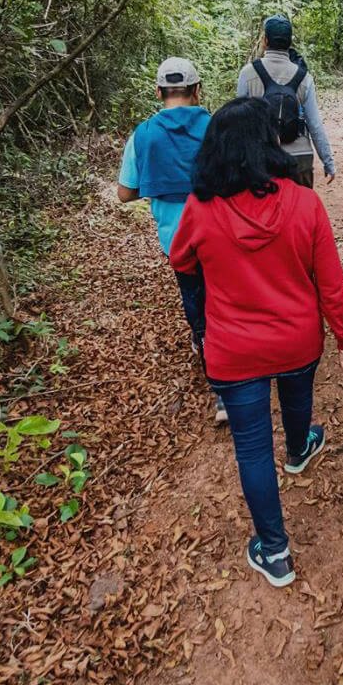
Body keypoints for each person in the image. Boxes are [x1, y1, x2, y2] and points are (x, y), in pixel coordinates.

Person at [170, 97, 343, 587]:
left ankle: (275, 552)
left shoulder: (201, 208)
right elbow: (331, 281)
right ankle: (299, 449)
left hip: (234, 350)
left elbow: (181, 262)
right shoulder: (304, 201)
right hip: (297, 339)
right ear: (270, 143)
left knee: (252, 450)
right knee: (298, 398)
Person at [115, 57, 223, 422]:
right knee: (223, 297)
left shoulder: (142, 134)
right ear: (197, 90)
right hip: (221, 233)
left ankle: (208, 353)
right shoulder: (216, 128)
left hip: (176, 240)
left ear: (159, 92)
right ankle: (227, 378)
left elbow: (125, 193)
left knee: (194, 297)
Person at [235, 15, 335, 188]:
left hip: (261, 158)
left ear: (265, 40)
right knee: (298, 211)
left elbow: (238, 122)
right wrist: (328, 162)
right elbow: (315, 124)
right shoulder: (304, 77)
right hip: (298, 158)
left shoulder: (248, 73)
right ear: (290, 42)